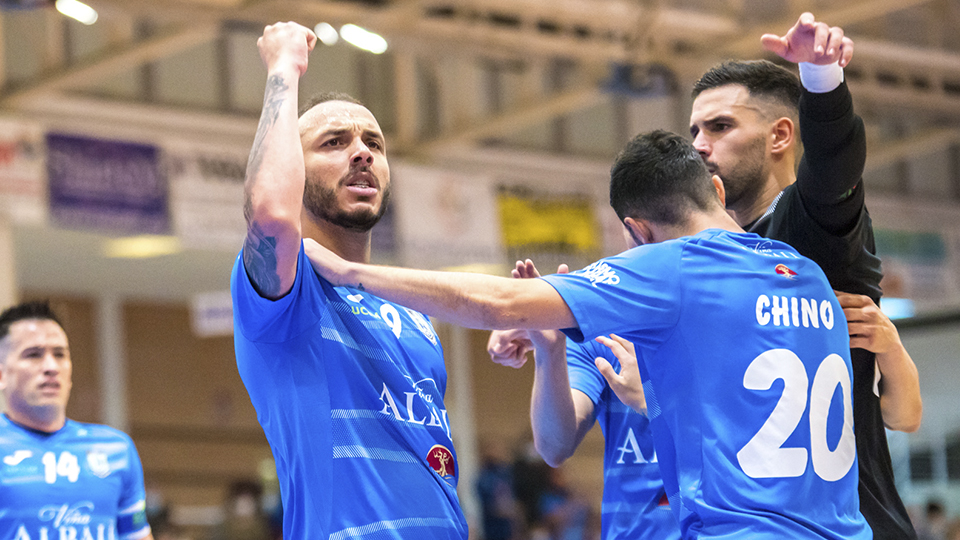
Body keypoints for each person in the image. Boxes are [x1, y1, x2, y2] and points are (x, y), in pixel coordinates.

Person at [304, 130, 872, 539]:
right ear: (717, 193)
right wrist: (554, 339)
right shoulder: (808, 275)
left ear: (637, 231)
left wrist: (351, 272)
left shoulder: (673, 265)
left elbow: (498, 302)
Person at [230, 22, 468, 540]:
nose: (362, 153)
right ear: (295, 167)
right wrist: (284, 68)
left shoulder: (412, 314)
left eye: (373, 143)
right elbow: (270, 213)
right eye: (334, 143)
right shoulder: (287, 294)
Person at [689, 12, 922, 539]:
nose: (699, 144)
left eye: (720, 127)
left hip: (851, 523)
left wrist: (821, 78)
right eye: (694, 131)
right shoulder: (710, 256)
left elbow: (835, 163)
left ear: (780, 135)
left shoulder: (809, 222)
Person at [0, 300, 154, 540]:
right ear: (1, 374)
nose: (51, 367)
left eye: (60, 354)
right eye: (34, 355)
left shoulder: (116, 448)